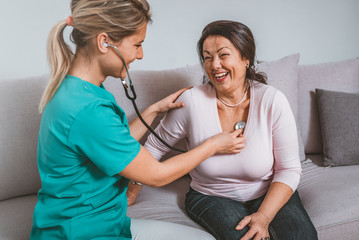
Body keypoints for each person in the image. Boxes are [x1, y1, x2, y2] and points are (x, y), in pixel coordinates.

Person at [30, 2, 246, 239]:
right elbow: (157, 174)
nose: (140, 55)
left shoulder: (77, 91)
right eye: (137, 44)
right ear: (104, 42)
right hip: (83, 233)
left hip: (97, 226)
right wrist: (214, 145)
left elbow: (111, 147)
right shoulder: (88, 110)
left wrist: (153, 111)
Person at [129, 20, 318, 240]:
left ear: (246, 58)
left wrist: (264, 216)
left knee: (302, 236)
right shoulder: (191, 101)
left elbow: (289, 169)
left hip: (267, 191)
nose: (215, 65)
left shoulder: (272, 101)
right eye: (207, 57)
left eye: (223, 55)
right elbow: (153, 148)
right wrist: (130, 194)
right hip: (211, 196)